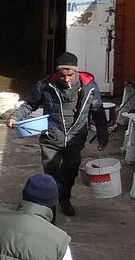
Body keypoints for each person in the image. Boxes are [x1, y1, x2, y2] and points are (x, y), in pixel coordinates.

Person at [8, 52, 108, 216]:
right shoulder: (45, 85)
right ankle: (50, 205)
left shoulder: (90, 88)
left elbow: (98, 111)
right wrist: (15, 117)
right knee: (51, 175)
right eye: (63, 75)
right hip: (51, 138)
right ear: (57, 73)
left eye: (70, 75)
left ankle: (65, 199)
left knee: (70, 173)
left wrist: (103, 134)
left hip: (75, 138)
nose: (67, 79)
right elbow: (29, 105)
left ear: (76, 72)